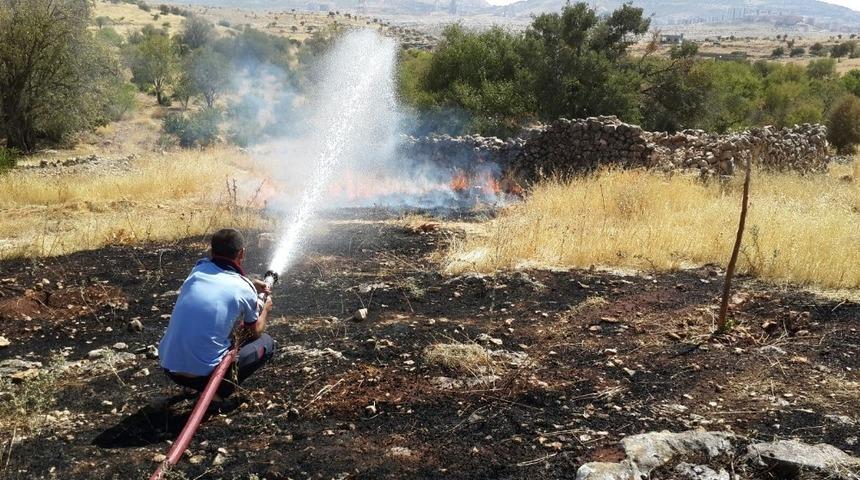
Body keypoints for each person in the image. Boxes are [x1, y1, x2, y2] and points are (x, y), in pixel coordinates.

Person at [158, 228, 275, 402]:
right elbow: (254, 331)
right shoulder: (244, 288)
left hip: (169, 366)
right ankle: (219, 392)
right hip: (205, 376)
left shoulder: (198, 270)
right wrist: (265, 308)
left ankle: (205, 386)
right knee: (267, 343)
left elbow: (221, 279)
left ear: (211, 251)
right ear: (241, 253)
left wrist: (249, 283)